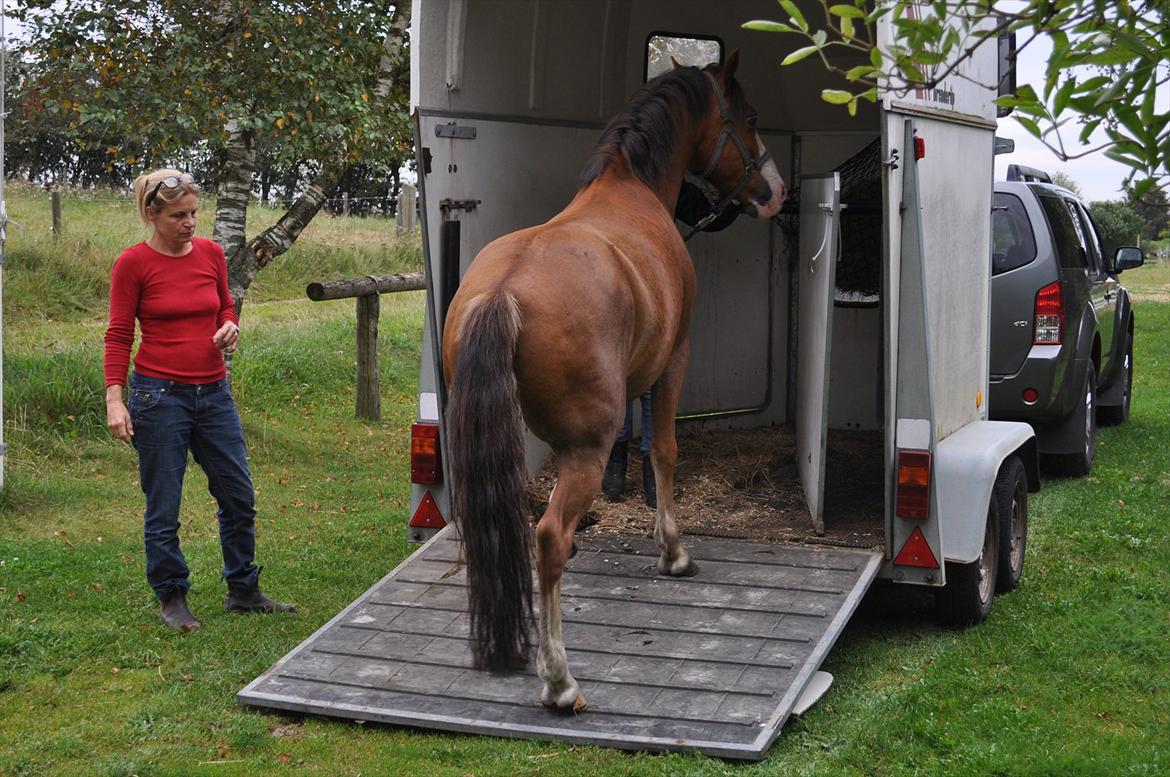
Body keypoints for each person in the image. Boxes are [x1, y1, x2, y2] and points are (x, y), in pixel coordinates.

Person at [104, 169, 294, 632]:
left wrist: (231, 325)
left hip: (213, 394)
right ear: (152, 214)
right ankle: (172, 597)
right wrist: (115, 399)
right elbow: (118, 334)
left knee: (238, 494)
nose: (190, 224)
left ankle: (243, 589)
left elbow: (224, 304)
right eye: (178, 216)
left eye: (194, 214)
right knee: (164, 505)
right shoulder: (133, 263)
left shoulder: (210, 253)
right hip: (157, 396)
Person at [601, 180, 741, 507]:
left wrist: (736, 197)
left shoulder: (651, 188)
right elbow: (708, 218)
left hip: (642, 293)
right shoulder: (640, 187)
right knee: (632, 382)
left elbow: (708, 218)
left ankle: (627, 472)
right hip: (635, 292)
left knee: (636, 380)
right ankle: (629, 470)